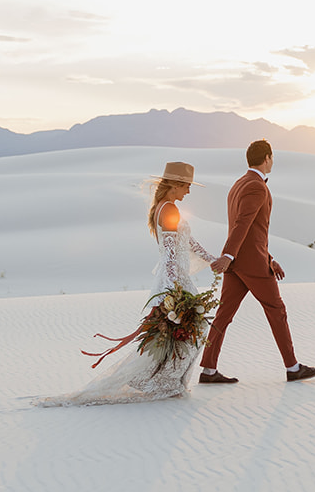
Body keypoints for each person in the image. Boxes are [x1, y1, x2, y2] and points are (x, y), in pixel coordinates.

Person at [37, 161, 218, 406]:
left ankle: (167, 381)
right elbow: (171, 253)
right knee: (189, 332)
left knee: (180, 334)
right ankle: (164, 382)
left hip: (173, 278)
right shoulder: (170, 210)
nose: (188, 192)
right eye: (186, 186)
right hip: (174, 280)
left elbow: (188, 242)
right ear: (175, 185)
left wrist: (212, 260)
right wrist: (176, 288)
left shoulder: (164, 208)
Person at [199, 140, 315, 384]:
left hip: (242, 263)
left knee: (223, 316)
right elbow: (242, 224)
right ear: (266, 158)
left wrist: (269, 258)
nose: (273, 161)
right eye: (272, 157)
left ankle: (208, 370)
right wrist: (228, 255)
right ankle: (293, 367)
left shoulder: (239, 184)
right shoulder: (257, 187)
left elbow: (253, 231)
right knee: (277, 311)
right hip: (251, 265)